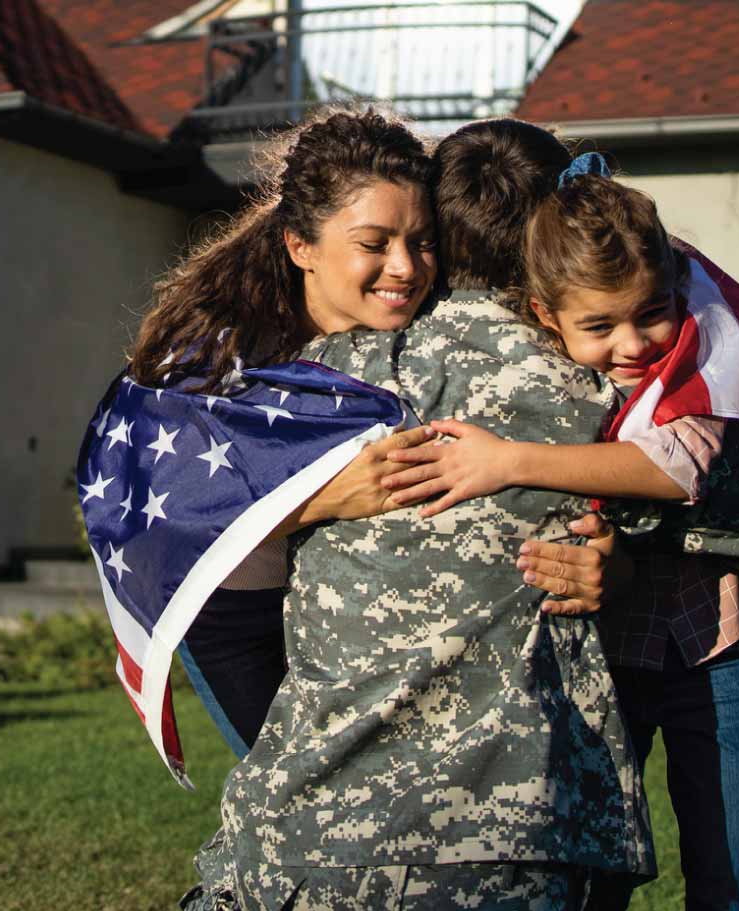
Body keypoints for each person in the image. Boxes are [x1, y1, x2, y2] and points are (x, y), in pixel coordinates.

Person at [181, 118, 739, 911]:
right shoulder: (604, 386)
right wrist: (632, 508)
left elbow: (170, 538)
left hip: (282, 869)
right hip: (503, 878)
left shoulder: (303, 388)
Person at [379, 163, 739, 911]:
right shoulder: (544, 383)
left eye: (652, 315)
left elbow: (674, 467)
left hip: (712, 654)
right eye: (601, 326)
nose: (634, 344)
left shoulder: (697, 375)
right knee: (593, 894)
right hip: (601, 667)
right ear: (547, 317)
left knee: (735, 896)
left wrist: (509, 462)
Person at [122, 109, 622, 758]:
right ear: (301, 246)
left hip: (356, 621)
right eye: (373, 243)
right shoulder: (238, 350)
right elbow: (156, 513)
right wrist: (327, 498)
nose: (405, 268)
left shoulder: (437, 330)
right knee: (293, 812)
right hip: (237, 617)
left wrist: (599, 553)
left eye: (421, 241)